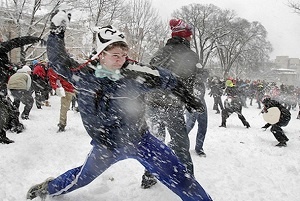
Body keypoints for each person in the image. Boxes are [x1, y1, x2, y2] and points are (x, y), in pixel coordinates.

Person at [26, 9, 212, 201]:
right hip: (107, 146)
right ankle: (48, 189)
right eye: (115, 54)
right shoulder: (84, 75)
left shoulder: (135, 71)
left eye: (124, 54)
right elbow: (58, 61)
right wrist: (57, 32)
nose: (121, 59)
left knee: (180, 177)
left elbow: (167, 78)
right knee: (81, 178)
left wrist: (188, 97)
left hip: (141, 141)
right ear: (101, 54)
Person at [141, 18, 199, 188]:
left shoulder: (160, 52)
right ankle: (188, 181)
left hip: (152, 103)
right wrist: (189, 100)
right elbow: (187, 83)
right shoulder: (189, 55)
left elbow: (149, 75)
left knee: (155, 142)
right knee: (181, 145)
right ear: (186, 36)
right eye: (190, 36)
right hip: (171, 105)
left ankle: (149, 175)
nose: (190, 38)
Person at [186, 68, 209, 157]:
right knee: (189, 125)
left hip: (202, 103)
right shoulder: (189, 75)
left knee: (203, 126)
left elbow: (206, 73)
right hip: (192, 102)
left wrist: (199, 72)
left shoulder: (200, 71)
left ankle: (199, 148)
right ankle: (177, 143)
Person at [48, 67, 75, 132]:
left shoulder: (57, 66)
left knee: (64, 108)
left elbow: (52, 79)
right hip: (76, 87)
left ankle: (62, 124)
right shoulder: (71, 63)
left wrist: (56, 88)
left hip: (67, 89)